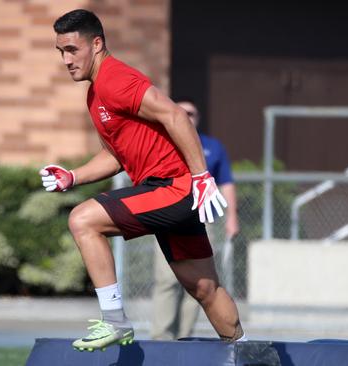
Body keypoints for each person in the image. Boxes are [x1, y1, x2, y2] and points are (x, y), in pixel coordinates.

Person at [40, 9, 245, 351]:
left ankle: (115, 321)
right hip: (170, 191)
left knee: (83, 220)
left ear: (97, 43)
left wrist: (201, 176)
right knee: (205, 288)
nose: (65, 59)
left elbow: (175, 114)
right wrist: (73, 176)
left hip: (174, 188)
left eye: (72, 50)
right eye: (60, 51)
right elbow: (116, 156)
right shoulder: (95, 94)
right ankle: (248, 351)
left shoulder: (115, 79)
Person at [151, 99, 239, 340]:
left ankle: (184, 338)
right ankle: (161, 339)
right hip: (168, 219)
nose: (188, 116)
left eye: (192, 112)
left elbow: (226, 183)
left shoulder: (212, 146)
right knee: (166, 280)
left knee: (202, 282)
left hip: (203, 219)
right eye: (182, 112)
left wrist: (232, 217)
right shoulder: (162, 142)